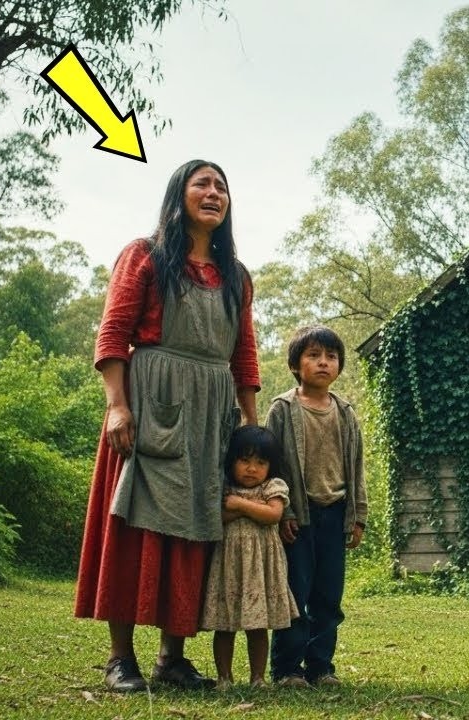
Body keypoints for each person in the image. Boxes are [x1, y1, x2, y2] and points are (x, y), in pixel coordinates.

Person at [74, 159, 260, 692]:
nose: (213, 192)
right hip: (153, 403)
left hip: (211, 416)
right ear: (178, 195)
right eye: (201, 183)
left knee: (194, 530)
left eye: (222, 185)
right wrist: (118, 405)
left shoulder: (236, 276)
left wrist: (250, 428)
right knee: (137, 526)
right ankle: (119, 659)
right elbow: (113, 332)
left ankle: (171, 658)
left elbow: (243, 357)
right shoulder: (146, 257)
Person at [267, 325, 367, 688]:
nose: (323, 363)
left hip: (336, 513)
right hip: (299, 516)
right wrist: (284, 512)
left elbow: (357, 467)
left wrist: (358, 517)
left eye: (330, 357)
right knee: (295, 592)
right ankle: (287, 670)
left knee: (328, 596)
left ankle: (321, 667)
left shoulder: (345, 411)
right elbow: (271, 465)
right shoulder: (282, 409)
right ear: (296, 365)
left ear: (339, 365)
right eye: (313, 356)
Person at [201, 425, 298, 690]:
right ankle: (224, 678)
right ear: (232, 461)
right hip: (229, 565)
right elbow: (219, 517)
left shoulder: (273, 486)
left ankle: (258, 678)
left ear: (270, 466)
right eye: (244, 460)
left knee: (258, 625)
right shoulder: (224, 488)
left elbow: (274, 515)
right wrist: (253, 509)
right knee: (225, 624)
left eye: (260, 462)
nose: (251, 468)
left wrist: (240, 506)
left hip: (261, 566)